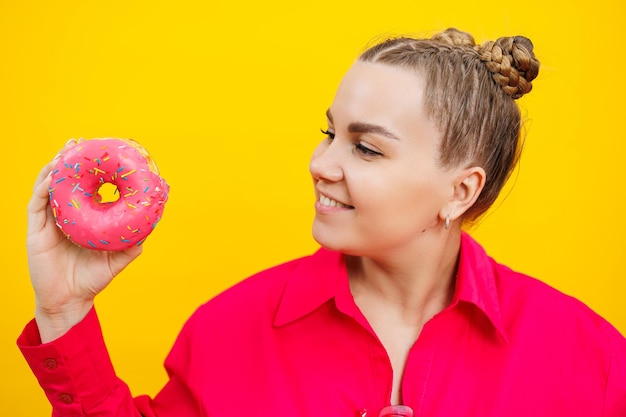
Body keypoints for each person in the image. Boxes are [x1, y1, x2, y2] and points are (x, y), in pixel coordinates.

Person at [19, 28, 626, 416]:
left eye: (366, 148)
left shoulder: (589, 361)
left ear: (459, 190)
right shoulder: (230, 331)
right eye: (329, 133)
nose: (319, 164)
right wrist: (63, 311)